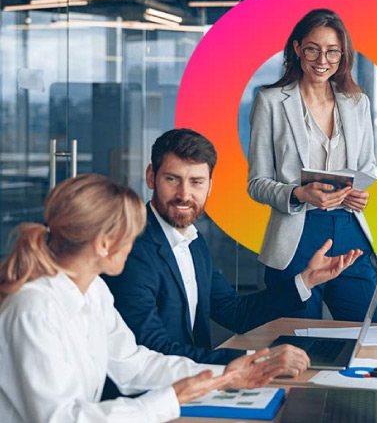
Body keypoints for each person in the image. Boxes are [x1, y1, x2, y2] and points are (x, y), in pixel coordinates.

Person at [0, 174, 308, 423]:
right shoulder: (34, 308)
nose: (135, 243)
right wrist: (171, 398)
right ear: (105, 244)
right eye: (130, 235)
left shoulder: (93, 290)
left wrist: (225, 377)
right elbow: (60, 418)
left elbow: (135, 365)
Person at [103, 128, 362, 368]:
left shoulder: (192, 241)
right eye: (172, 179)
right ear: (151, 177)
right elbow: (152, 349)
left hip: (193, 380)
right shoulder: (132, 250)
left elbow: (235, 313)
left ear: (210, 186)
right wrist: (256, 361)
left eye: (196, 182)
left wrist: (307, 280)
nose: (184, 194)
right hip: (157, 393)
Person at [248, 8, 377, 322]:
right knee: (296, 341)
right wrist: (299, 194)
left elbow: (367, 167)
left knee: (369, 336)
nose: (323, 60)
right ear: (297, 49)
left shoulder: (356, 102)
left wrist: (359, 193)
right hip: (296, 237)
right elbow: (257, 183)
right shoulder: (270, 102)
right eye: (313, 49)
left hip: (349, 231)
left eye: (332, 51)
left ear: (342, 55)